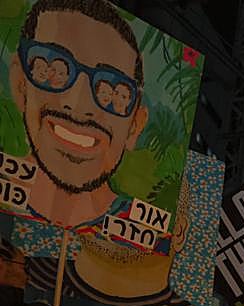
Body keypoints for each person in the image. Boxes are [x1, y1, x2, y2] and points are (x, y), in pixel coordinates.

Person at [9, 0, 150, 229]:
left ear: (135, 125)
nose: (78, 106)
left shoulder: (148, 235)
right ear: (20, 84)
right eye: (52, 68)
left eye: (114, 91)